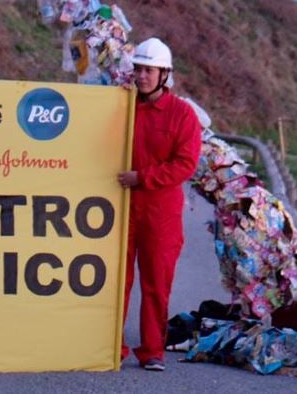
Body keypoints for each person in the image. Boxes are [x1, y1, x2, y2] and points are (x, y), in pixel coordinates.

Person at [117, 37, 202, 371]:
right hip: (121, 207)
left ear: (165, 74)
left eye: (148, 70)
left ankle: (152, 351)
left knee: (156, 282)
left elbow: (185, 164)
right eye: (137, 69)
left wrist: (143, 178)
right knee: (115, 281)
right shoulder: (121, 106)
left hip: (160, 212)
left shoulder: (183, 114)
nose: (141, 76)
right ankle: (113, 347)